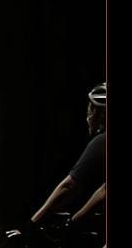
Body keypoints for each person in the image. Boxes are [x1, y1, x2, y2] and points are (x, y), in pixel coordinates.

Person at [31, 82, 107, 227]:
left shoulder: (103, 142)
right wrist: (75, 221)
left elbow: (69, 187)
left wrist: (31, 223)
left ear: (101, 114)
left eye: (90, 110)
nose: (87, 116)